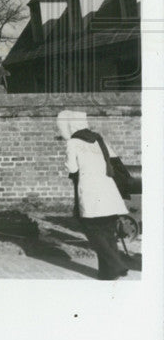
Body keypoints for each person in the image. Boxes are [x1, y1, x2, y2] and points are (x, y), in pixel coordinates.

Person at [56, 110, 131, 280]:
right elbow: (115, 161)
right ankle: (107, 273)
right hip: (109, 191)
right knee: (108, 230)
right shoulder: (98, 139)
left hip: (90, 192)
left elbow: (72, 169)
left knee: (92, 229)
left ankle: (117, 265)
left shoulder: (73, 142)